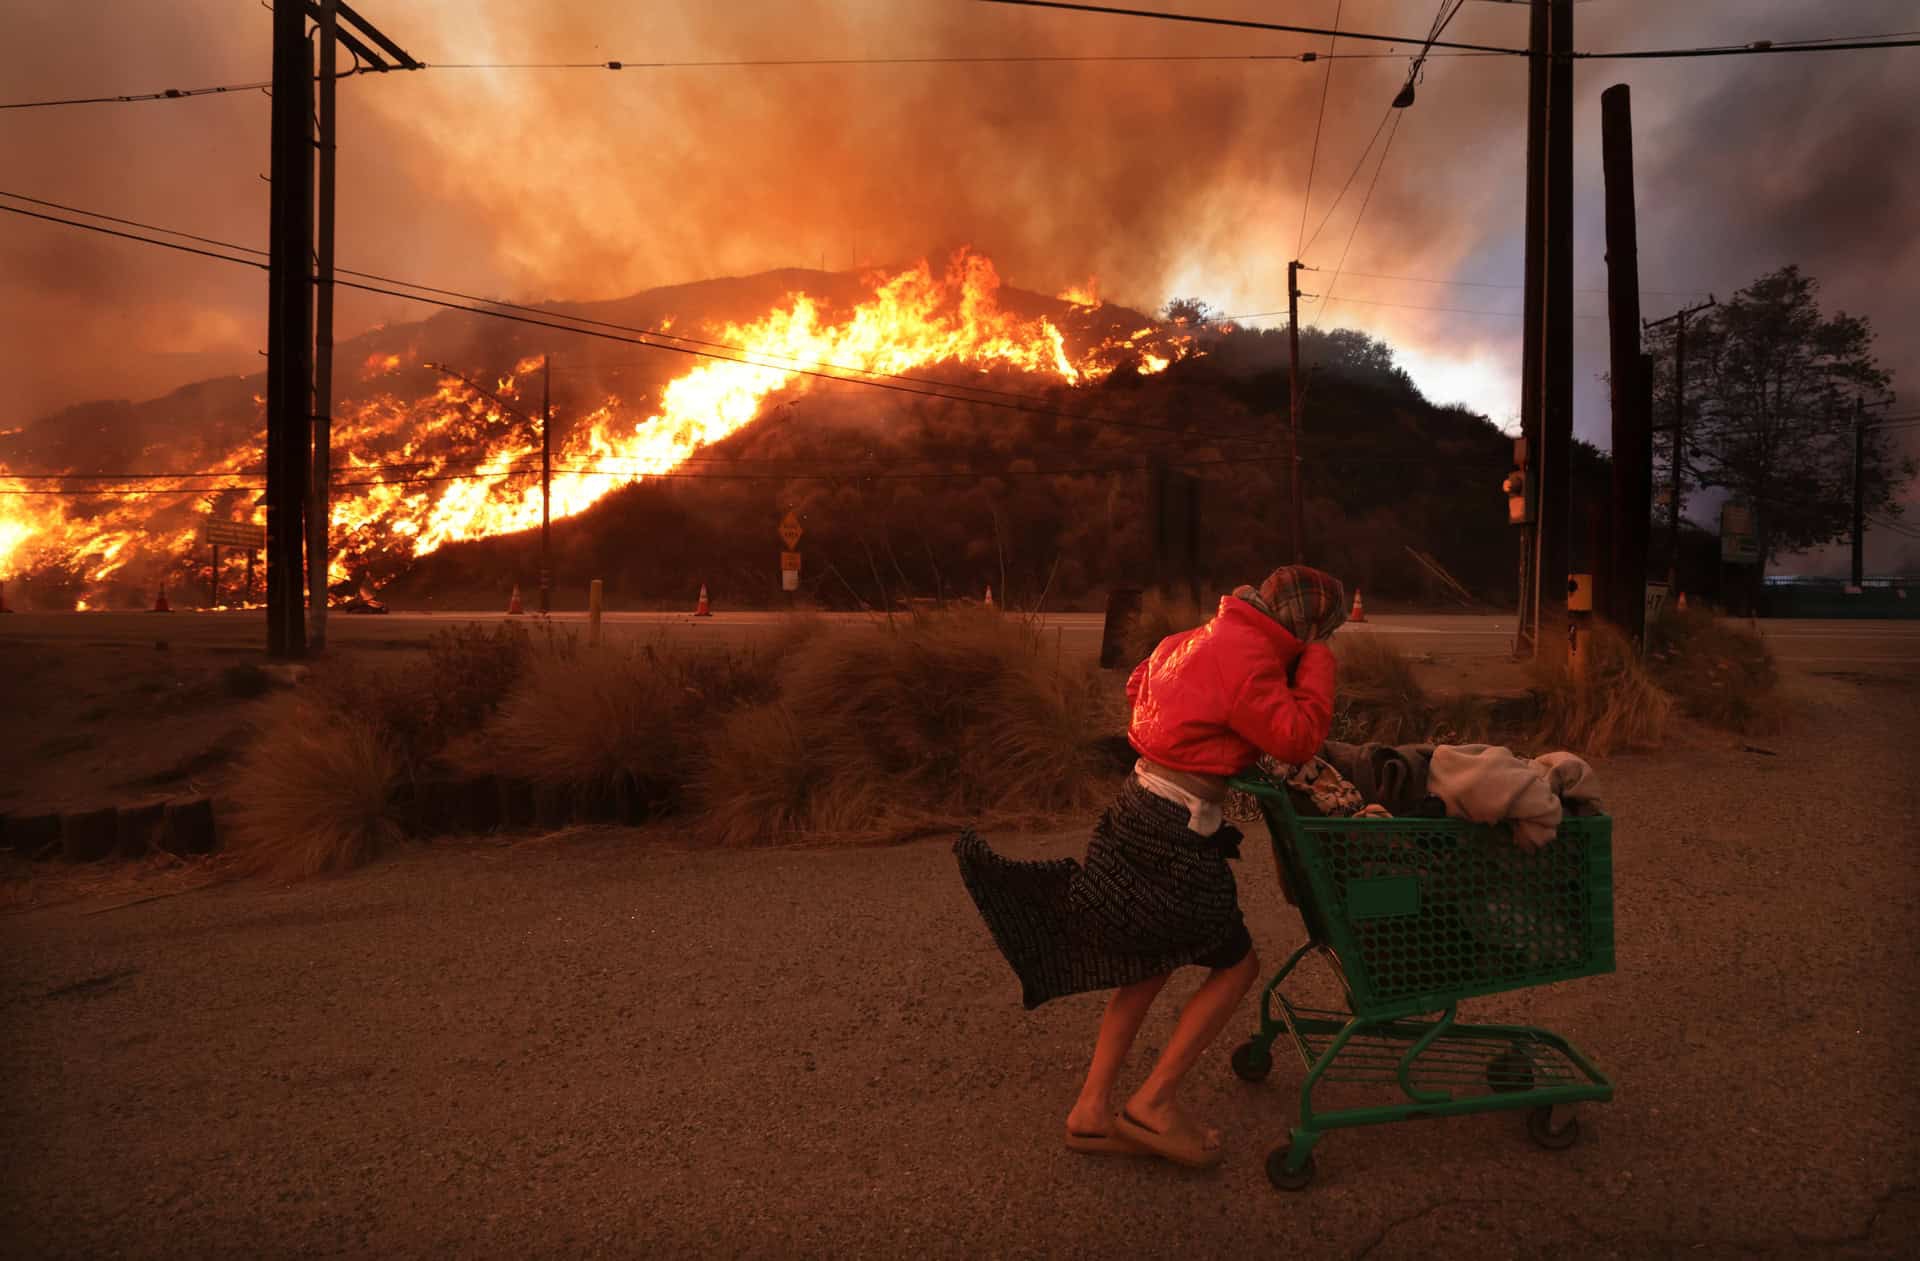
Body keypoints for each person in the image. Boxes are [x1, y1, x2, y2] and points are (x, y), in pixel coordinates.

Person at [954, 566, 1345, 1169]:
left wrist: (1202, 731)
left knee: (1147, 964)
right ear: (1308, 626)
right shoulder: (1250, 657)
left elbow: (1138, 686)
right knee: (1237, 966)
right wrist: (1316, 664)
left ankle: (1090, 1112)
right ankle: (1153, 1104)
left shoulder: (1193, 638)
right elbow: (1295, 739)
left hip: (1138, 803)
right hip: (1178, 828)